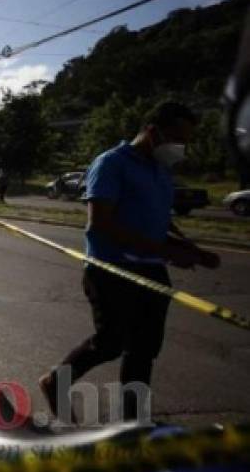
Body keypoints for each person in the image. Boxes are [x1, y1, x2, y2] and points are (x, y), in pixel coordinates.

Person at [39, 102, 220, 423]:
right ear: (153, 132)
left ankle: (133, 420)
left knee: (145, 349)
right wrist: (166, 251)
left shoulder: (161, 170)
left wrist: (190, 248)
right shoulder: (111, 163)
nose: (181, 148)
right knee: (110, 343)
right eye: (177, 138)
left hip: (151, 270)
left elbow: (159, 219)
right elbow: (101, 223)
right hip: (110, 268)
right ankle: (56, 382)